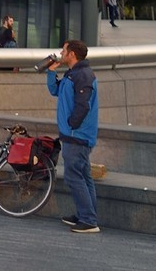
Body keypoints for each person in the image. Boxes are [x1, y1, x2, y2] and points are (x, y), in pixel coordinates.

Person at [46, 39, 100, 234]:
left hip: (77, 136)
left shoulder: (83, 75)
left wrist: (71, 124)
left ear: (72, 54)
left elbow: (83, 105)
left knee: (73, 176)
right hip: (74, 135)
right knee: (84, 176)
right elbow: (55, 91)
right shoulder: (73, 74)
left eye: (64, 50)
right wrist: (51, 72)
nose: (61, 52)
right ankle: (86, 215)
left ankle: (88, 219)